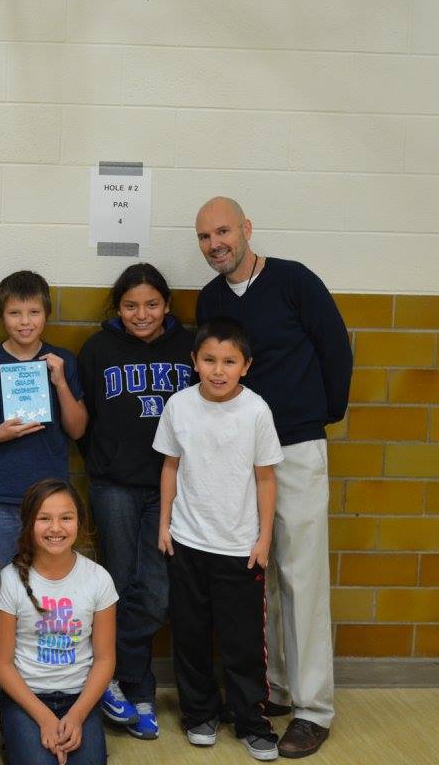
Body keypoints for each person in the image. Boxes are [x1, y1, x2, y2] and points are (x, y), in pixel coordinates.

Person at [194, 197, 352, 758]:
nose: (217, 244)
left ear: (246, 229)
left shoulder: (294, 282)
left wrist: (317, 415)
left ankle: (314, 708)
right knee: (260, 571)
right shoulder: (211, 300)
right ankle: (279, 688)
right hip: (241, 457)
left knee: (302, 576)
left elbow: (336, 348)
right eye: (206, 237)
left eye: (224, 232)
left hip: (297, 446)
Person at [155, 317, 283, 761]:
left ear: (245, 366)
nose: (218, 369)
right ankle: (199, 714)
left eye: (229, 361)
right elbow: (170, 467)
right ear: (194, 361)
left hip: (239, 549)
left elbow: (266, 480)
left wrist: (264, 538)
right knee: (190, 636)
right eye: (209, 359)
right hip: (187, 542)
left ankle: (251, 721)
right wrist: (164, 523)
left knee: (242, 641)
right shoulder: (179, 406)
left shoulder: (256, 411)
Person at [76, 263, 192, 740]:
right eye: (130, 305)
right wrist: (107, 464)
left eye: (151, 304)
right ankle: (136, 687)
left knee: (157, 591)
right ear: (117, 308)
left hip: (174, 488)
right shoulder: (98, 349)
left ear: (166, 305)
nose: (141, 314)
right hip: (115, 486)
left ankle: (109, 680)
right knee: (118, 585)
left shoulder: (190, 347)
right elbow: (85, 424)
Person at [0, 479, 117, 765]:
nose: (56, 528)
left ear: (80, 522)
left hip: (79, 698)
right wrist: (44, 718)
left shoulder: (99, 579)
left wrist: (77, 715)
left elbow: (105, 659)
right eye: (44, 518)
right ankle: (12, 730)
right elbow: (2, 664)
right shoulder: (10, 580)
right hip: (27, 699)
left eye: (66, 518)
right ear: (28, 524)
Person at [0, 270, 87, 568]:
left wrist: (60, 382)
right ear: (1, 316)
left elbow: (77, 428)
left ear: (46, 313)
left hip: (49, 495)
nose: (24, 322)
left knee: (46, 576)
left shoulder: (62, 360)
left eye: (34, 312)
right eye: (14, 313)